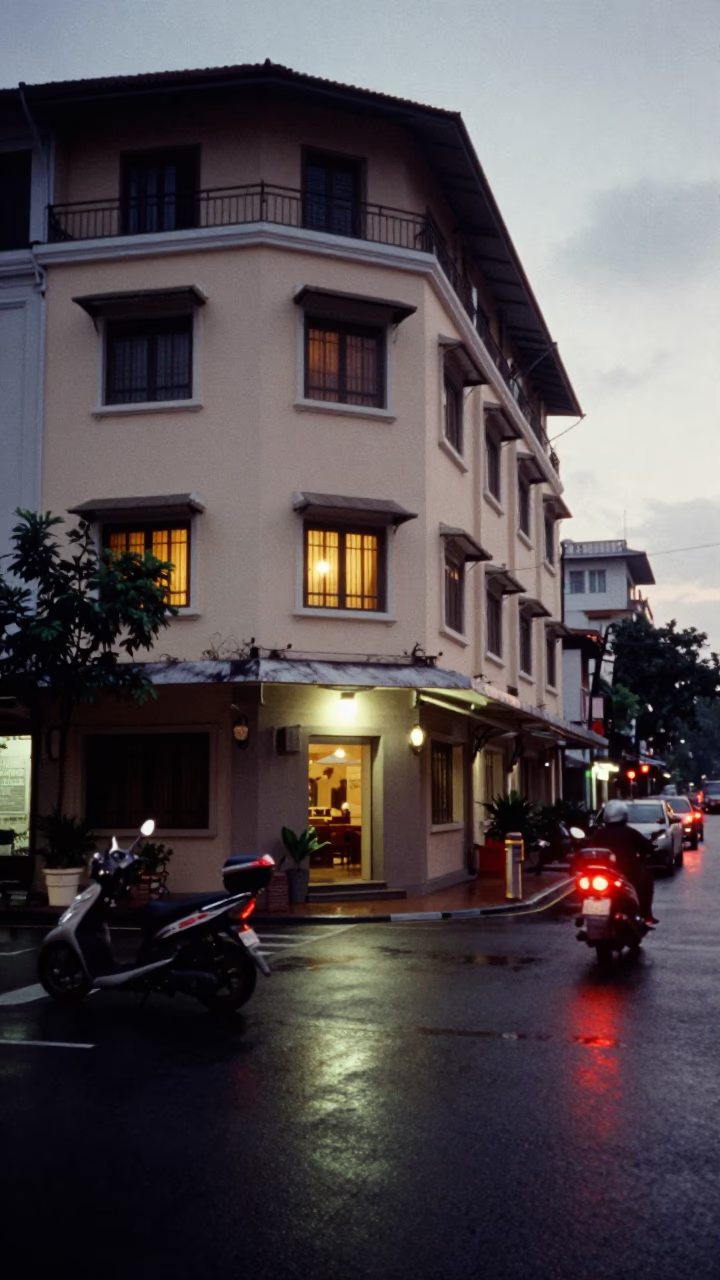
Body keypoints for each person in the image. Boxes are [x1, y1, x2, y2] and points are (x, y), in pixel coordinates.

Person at [581, 799, 657, 924]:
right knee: (647, 880)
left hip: (605, 873)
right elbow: (648, 847)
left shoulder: (599, 833)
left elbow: (588, 850)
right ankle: (646, 914)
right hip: (626, 872)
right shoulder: (630, 832)